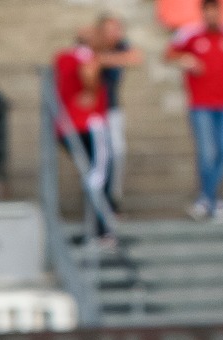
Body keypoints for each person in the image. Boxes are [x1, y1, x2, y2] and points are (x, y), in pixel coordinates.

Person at [166, 0, 223, 222]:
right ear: (203, 13)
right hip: (200, 104)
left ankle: (205, 199)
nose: (212, 17)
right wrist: (186, 60)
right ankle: (212, 201)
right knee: (206, 154)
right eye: (208, 13)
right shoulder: (190, 34)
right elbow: (169, 55)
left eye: (216, 12)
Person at [54, 29, 116, 239]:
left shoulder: (63, 56)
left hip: (66, 126)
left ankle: (96, 226)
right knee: (100, 174)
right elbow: (88, 72)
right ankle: (101, 228)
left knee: (92, 173)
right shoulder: (87, 56)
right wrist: (91, 89)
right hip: (89, 123)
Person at [95, 14, 144, 203]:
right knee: (101, 156)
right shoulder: (94, 45)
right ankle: (101, 199)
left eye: (116, 30)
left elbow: (135, 57)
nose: (113, 34)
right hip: (94, 111)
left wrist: (105, 58)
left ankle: (113, 199)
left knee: (117, 152)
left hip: (112, 107)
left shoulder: (120, 46)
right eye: (108, 30)